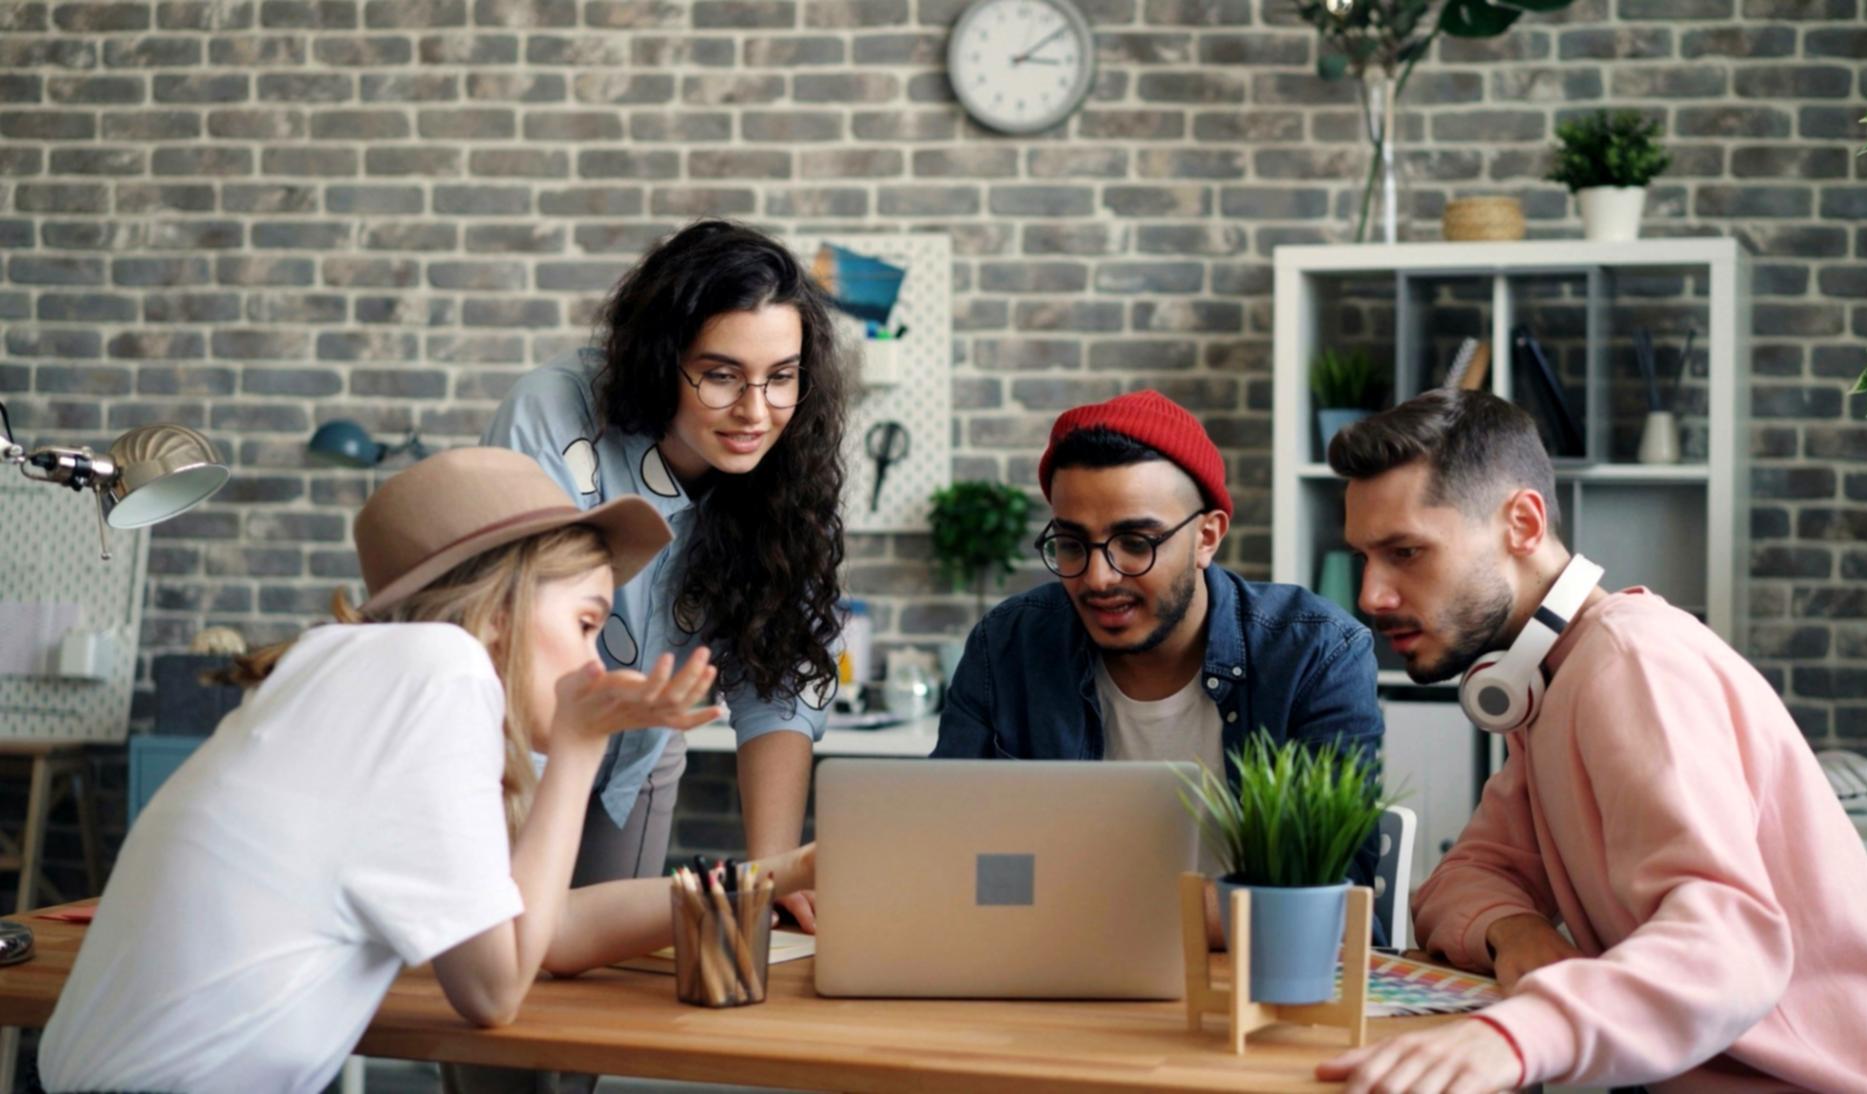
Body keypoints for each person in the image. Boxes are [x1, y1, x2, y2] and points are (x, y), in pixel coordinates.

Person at [37, 448, 816, 1092]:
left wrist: (782, 871)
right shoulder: (438, 669)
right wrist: (578, 751)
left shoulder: (355, 673)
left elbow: (556, 932)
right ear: (502, 610)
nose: (594, 660)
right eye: (585, 623)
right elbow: (495, 992)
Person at [1317, 388, 1867, 1093]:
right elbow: (1462, 880)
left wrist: (1517, 1035)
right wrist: (1514, 930)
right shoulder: (1546, 677)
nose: (1371, 595)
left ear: (1521, 523)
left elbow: (1729, 943)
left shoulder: (1629, 664)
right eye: (1366, 557)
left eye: (1406, 552)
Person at [484, 220, 845, 935]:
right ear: (660, 359)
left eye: (782, 378)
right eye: (720, 375)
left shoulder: (790, 459)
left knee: (606, 1007)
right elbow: (521, 634)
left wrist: (774, 870)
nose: (755, 410)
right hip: (511, 752)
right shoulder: (552, 417)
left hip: (638, 758)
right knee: (504, 990)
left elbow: (777, 675)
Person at [933, 389, 1384, 852]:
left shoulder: (1316, 654)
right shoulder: (1007, 646)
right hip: (1052, 928)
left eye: (1135, 542)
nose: (1098, 577)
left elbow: (1338, 887)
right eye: (1071, 544)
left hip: (1249, 928)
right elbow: (947, 845)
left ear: (1206, 537)